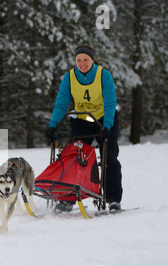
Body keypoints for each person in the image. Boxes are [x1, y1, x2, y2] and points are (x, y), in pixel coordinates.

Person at [45, 44, 123, 212]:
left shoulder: (104, 75)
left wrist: (107, 126)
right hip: (81, 119)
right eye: (79, 60)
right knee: (74, 156)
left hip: (104, 119)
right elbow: (61, 104)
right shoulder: (69, 77)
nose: (82, 63)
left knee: (110, 158)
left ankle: (113, 199)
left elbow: (110, 103)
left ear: (92, 59)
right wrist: (52, 125)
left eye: (86, 59)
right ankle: (68, 199)